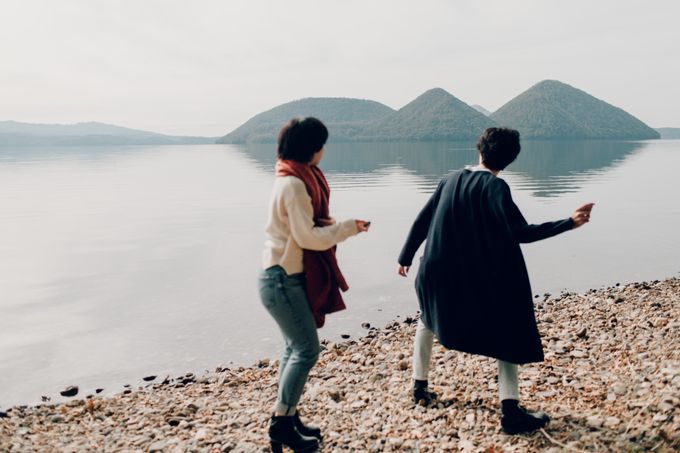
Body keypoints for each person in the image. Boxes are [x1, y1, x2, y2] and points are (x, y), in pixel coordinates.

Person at [397, 127, 594, 435]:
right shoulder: (495, 188)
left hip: (433, 272)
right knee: (508, 330)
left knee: (427, 319)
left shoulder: (449, 179)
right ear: (510, 159)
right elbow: (521, 233)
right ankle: (510, 412)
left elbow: (423, 220)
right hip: (465, 277)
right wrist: (569, 223)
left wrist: (405, 256)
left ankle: (418, 388)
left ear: (480, 148)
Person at [259, 117, 370, 452]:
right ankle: (281, 423)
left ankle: (289, 418)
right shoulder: (294, 184)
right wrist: (348, 227)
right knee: (307, 350)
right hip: (283, 279)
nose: (324, 151)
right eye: (322, 144)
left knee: (293, 348)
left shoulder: (290, 176)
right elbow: (308, 237)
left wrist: (331, 226)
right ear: (312, 148)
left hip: (281, 276)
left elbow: (304, 229)